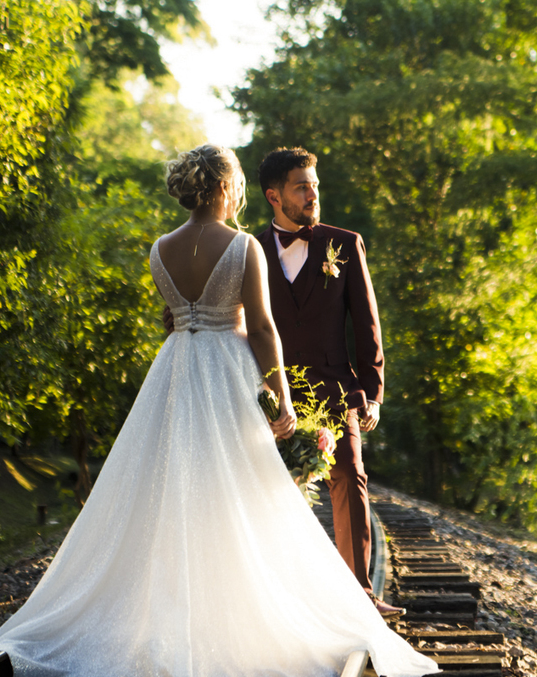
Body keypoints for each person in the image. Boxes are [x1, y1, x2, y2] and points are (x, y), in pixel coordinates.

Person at [0, 145, 439, 677]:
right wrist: (280, 395)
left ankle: (176, 611)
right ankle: (243, 613)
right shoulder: (245, 245)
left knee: (173, 493)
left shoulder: (160, 249)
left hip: (175, 370)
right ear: (227, 188)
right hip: (228, 369)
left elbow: (170, 318)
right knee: (247, 495)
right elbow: (266, 329)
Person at [163, 147, 401, 617]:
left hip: (334, 389)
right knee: (262, 490)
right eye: (301, 186)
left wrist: (372, 392)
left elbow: (367, 326)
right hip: (260, 391)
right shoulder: (239, 247)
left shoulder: (345, 244)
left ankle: (360, 596)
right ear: (273, 195)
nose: (313, 193)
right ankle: (278, 600)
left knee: (348, 475)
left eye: (314, 184)